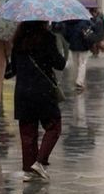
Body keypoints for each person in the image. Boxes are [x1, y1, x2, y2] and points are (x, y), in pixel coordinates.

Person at [8, 20, 65, 179]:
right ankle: (39, 162)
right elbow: (60, 64)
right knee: (54, 126)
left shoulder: (18, 40)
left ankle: (28, 170)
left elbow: (13, 68)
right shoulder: (47, 37)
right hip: (43, 91)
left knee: (27, 133)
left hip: (23, 92)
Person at [62, 8, 103, 91]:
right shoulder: (85, 21)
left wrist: (71, 41)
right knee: (82, 64)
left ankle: (76, 80)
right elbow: (94, 29)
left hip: (73, 46)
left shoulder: (69, 23)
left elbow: (65, 34)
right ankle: (79, 82)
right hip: (83, 46)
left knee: (75, 64)